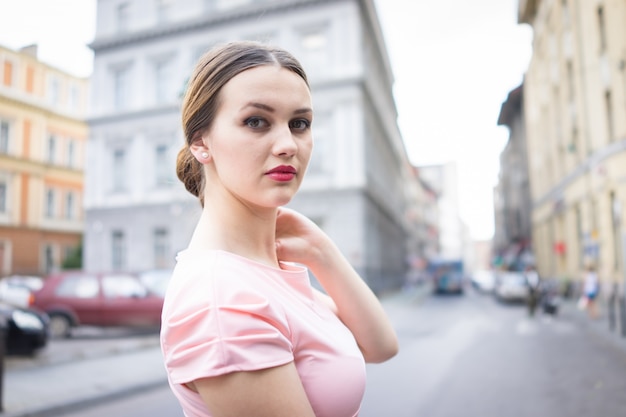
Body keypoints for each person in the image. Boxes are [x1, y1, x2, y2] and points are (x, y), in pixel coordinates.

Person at [160, 40, 399, 417]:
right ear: (201, 142)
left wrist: (321, 251)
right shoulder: (223, 299)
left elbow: (380, 345)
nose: (288, 144)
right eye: (256, 121)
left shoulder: (261, 273)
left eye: (299, 123)